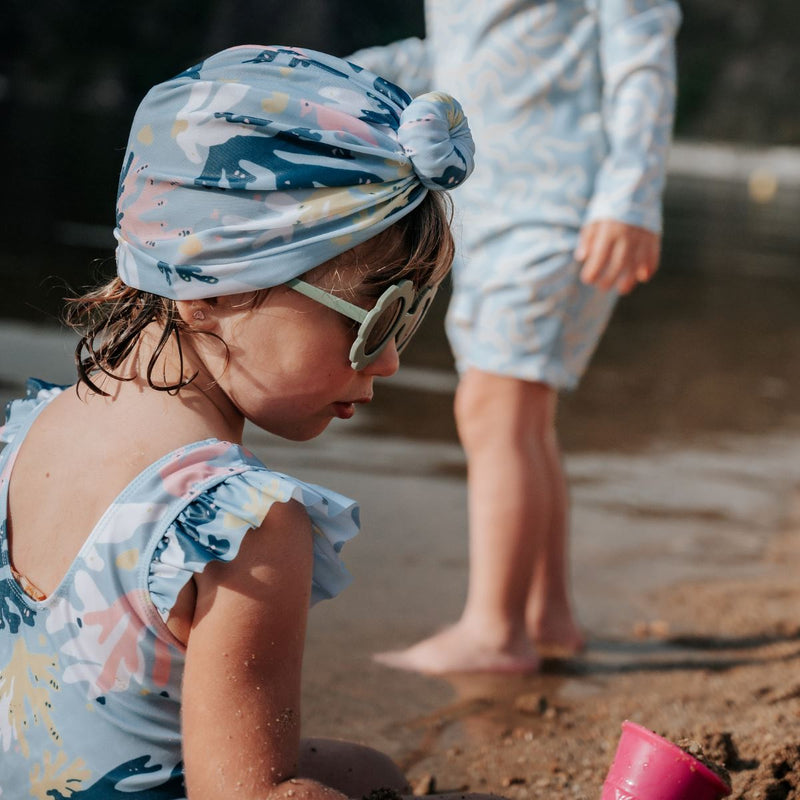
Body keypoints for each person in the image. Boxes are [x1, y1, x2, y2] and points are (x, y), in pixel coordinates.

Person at [0, 45, 480, 798]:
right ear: (213, 287)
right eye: (377, 318)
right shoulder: (241, 524)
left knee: (369, 769)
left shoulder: (27, 434)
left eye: (410, 322)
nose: (388, 362)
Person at [349, 0, 681, 674]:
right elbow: (458, 56)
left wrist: (631, 195)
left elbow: (643, 45)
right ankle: (546, 614)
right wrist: (344, 77)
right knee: (523, 418)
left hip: (564, 208)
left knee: (492, 408)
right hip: (492, 212)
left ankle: (494, 633)